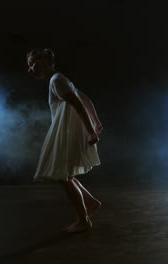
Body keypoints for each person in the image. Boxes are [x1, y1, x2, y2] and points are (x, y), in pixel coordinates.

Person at [27, 48, 102, 233]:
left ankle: (83, 220)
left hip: (68, 132)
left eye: (32, 64)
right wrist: (97, 122)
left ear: (45, 61)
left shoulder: (57, 80)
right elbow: (85, 99)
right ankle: (91, 203)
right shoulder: (61, 79)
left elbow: (78, 104)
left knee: (62, 175)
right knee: (65, 173)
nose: (30, 69)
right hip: (69, 131)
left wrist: (92, 131)